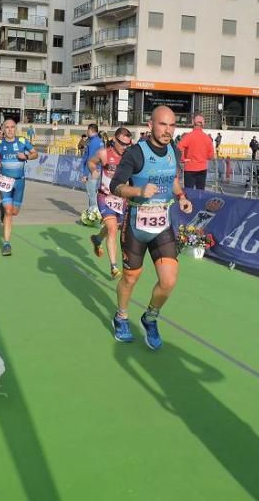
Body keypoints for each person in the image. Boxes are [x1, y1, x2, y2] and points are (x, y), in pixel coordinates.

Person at [109, 106, 193, 348]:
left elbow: (173, 180)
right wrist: (138, 191)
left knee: (168, 281)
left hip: (162, 226)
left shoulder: (174, 152)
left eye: (172, 125)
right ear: (150, 125)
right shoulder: (135, 153)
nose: (168, 130)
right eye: (163, 124)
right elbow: (116, 185)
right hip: (136, 224)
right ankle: (121, 316)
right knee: (131, 278)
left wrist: (182, 197)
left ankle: (150, 317)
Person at [89, 126, 133, 278]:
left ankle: (98, 238)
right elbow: (91, 162)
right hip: (104, 197)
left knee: (113, 227)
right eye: (122, 143)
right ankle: (114, 267)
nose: (124, 147)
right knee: (113, 229)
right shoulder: (104, 153)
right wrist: (93, 170)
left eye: (127, 144)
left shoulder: (129, 156)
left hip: (121, 200)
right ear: (114, 140)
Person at [0, 118, 38, 256]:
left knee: (14, 212)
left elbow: (36, 153)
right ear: (3, 129)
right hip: (5, 181)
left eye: (12, 127)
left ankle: (4, 210)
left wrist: (26, 156)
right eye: (7, 127)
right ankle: (6, 244)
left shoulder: (22, 141)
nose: (10, 130)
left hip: (19, 182)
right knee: (9, 211)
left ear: (15, 129)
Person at [177, 114, 215, 190]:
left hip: (190, 167)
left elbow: (178, 147)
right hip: (202, 168)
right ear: (203, 124)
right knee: (200, 192)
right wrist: (203, 157)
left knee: (189, 192)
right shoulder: (207, 138)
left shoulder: (188, 136)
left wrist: (183, 159)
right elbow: (211, 156)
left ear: (193, 123)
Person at [79, 123, 104, 214]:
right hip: (98, 169)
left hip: (92, 170)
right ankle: (91, 212)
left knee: (91, 192)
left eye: (87, 130)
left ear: (91, 130)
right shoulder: (99, 141)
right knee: (93, 192)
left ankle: (94, 213)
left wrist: (85, 174)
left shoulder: (93, 142)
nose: (86, 132)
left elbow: (89, 159)